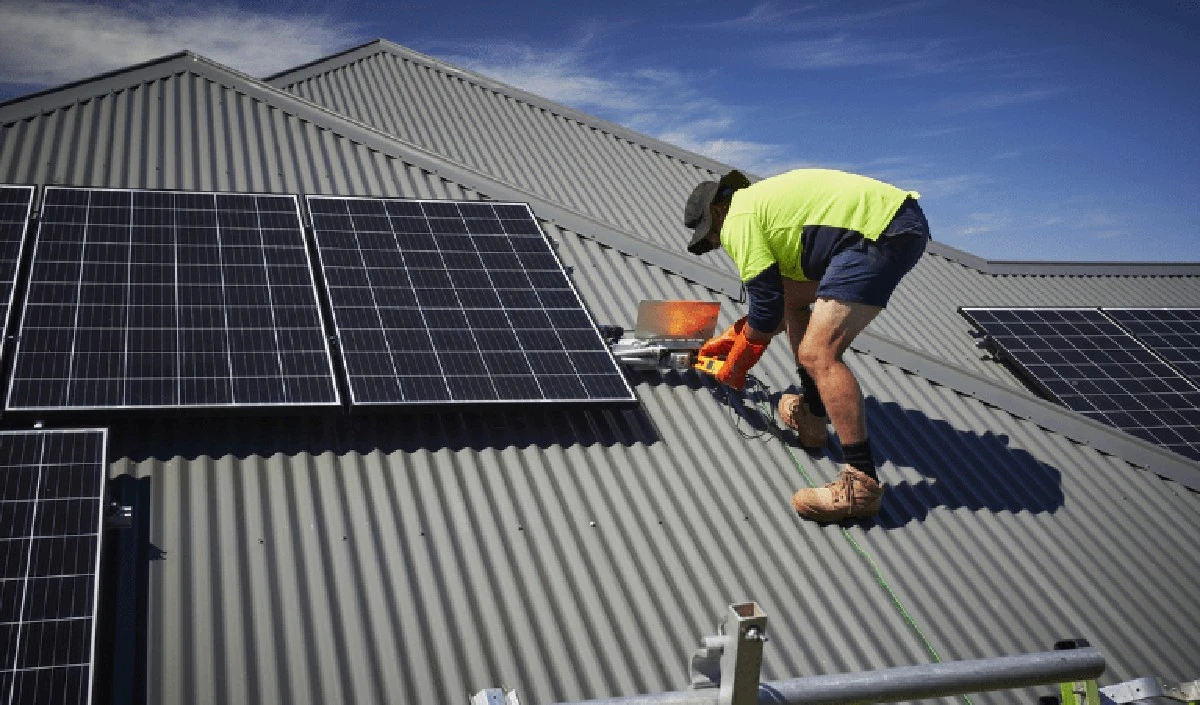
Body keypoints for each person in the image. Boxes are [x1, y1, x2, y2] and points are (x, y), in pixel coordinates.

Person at [683, 168, 931, 522]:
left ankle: (860, 485)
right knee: (792, 301)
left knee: (819, 353)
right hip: (885, 226)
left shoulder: (739, 220)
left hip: (878, 233)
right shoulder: (762, 209)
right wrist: (733, 337)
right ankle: (813, 418)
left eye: (711, 236)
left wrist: (736, 365)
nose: (717, 243)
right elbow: (778, 304)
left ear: (717, 213)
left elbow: (765, 314)